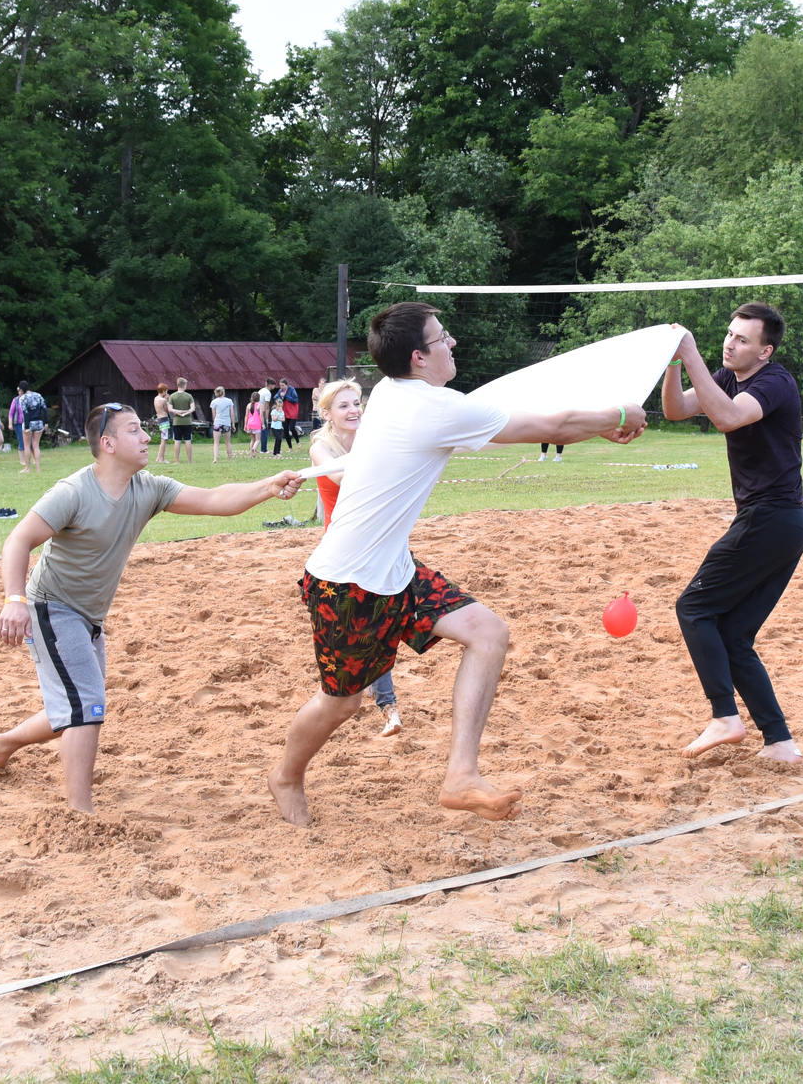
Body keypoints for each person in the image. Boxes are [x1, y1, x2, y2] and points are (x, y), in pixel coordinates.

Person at [270, 302, 648, 828]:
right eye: (442, 337)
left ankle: (461, 776)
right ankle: (286, 776)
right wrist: (621, 415)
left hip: (396, 570)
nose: (452, 344)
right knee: (341, 703)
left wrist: (592, 427)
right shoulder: (434, 408)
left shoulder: (396, 391)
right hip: (345, 583)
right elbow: (553, 424)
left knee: (488, 634)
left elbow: (524, 419)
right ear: (419, 357)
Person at [0, 406, 305, 812]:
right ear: (108, 444)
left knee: (78, 704)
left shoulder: (147, 488)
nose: (147, 437)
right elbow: (18, 540)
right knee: (86, 706)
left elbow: (213, 499)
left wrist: (268, 486)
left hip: (88, 616)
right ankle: (80, 814)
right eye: (134, 430)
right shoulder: (73, 492)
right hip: (52, 608)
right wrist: (14, 600)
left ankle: (2, 743)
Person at [660, 304, 803, 764]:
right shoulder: (727, 378)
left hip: (770, 519)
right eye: (729, 334)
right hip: (779, 524)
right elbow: (676, 410)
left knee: (694, 607)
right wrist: (673, 363)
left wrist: (690, 352)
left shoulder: (774, 382)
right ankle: (779, 741)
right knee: (732, 633)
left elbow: (726, 417)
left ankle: (725, 716)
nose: (730, 343)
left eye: (742, 339)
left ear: (765, 351)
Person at [309, 378, 403, 737]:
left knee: (378, 623)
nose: (354, 410)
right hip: (344, 552)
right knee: (364, 629)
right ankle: (384, 700)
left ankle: (386, 702)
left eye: (356, 403)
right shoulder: (322, 447)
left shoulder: (370, 437)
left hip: (380, 543)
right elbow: (342, 477)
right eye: (344, 405)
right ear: (327, 414)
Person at [168, 377, 199, 465]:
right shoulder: (189, 396)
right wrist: (185, 413)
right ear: (184, 385)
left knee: (177, 440)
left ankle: (176, 461)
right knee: (188, 440)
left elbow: (170, 409)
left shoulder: (172, 396)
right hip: (187, 421)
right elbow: (192, 408)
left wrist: (178, 412)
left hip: (177, 421)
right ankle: (190, 461)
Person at [20, 383, 48, 475]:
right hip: (39, 422)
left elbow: (25, 412)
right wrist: (46, 422)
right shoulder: (38, 395)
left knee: (27, 446)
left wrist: (27, 427)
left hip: (29, 423)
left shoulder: (23, 398)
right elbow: (44, 409)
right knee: (36, 446)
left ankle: (27, 467)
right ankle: (38, 468)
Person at [210, 385, 236, 462]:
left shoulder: (214, 402)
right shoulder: (229, 401)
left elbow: (214, 415)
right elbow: (232, 414)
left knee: (216, 443)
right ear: (223, 392)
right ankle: (230, 459)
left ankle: (215, 458)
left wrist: (215, 422)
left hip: (217, 422)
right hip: (226, 423)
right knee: (228, 442)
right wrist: (233, 424)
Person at [8, 384, 28, 471]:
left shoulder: (27, 399)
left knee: (30, 441)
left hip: (27, 423)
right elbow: (11, 413)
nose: (20, 392)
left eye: (21, 391)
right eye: (19, 391)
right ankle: (22, 460)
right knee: (21, 441)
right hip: (18, 423)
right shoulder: (15, 400)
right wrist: (10, 423)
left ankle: (31, 458)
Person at [153, 383, 173, 463]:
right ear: (164, 391)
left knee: (164, 439)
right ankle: (161, 458)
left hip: (159, 419)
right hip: (164, 419)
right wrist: (167, 400)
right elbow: (167, 410)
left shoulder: (156, 398)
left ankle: (159, 457)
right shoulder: (163, 400)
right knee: (164, 440)